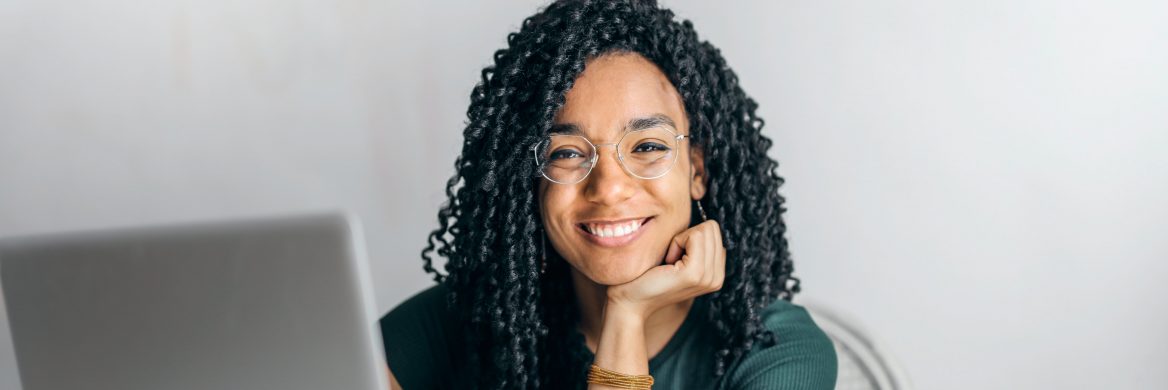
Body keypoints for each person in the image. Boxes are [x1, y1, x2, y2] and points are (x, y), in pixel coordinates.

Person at [379, 1, 837, 388]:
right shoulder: (467, 321)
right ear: (531, 179)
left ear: (697, 170)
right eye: (568, 153)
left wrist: (627, 311)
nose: (609, 187)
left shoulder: (780, 353)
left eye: (648, 146)